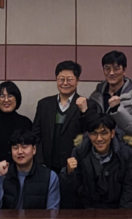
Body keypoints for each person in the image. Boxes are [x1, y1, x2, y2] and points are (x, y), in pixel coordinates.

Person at [32, 60, 99, 209]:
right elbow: (36, 135)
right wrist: (40, 163)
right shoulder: (44, 104)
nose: (65, 83)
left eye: (70, 79)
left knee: (71, 208)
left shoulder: (88, 104)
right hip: (47, 167)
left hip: (76, 169)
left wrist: (85, 112)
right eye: (61, 79)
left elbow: (93, 133)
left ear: (78, 80)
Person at [61, 114, 132, 209]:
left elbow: (130, 191)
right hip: (87, 210)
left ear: (112, 133)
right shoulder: (80, 152)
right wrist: (69, 173)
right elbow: (71, 191)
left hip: (117, 210)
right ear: (89, 135)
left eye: (104, 133)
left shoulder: (126, 153)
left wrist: (121, 216)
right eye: (94, 133)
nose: (99, 139)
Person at [0, 129, 60, 210]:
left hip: (36, 218)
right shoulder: (1, 174)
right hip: (8, 218)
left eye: (24, 147)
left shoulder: (50, 177)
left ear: (34, 149)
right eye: (15, 148)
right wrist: (0, 177)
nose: (19, 152)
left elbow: (53, 212)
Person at [88, 50, 132, 139]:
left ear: (124, 70)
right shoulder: (96, 96)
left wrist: (117, 109)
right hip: (99, 145)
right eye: (107, 68)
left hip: (123, 146)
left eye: (116, 68)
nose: (111, 73)